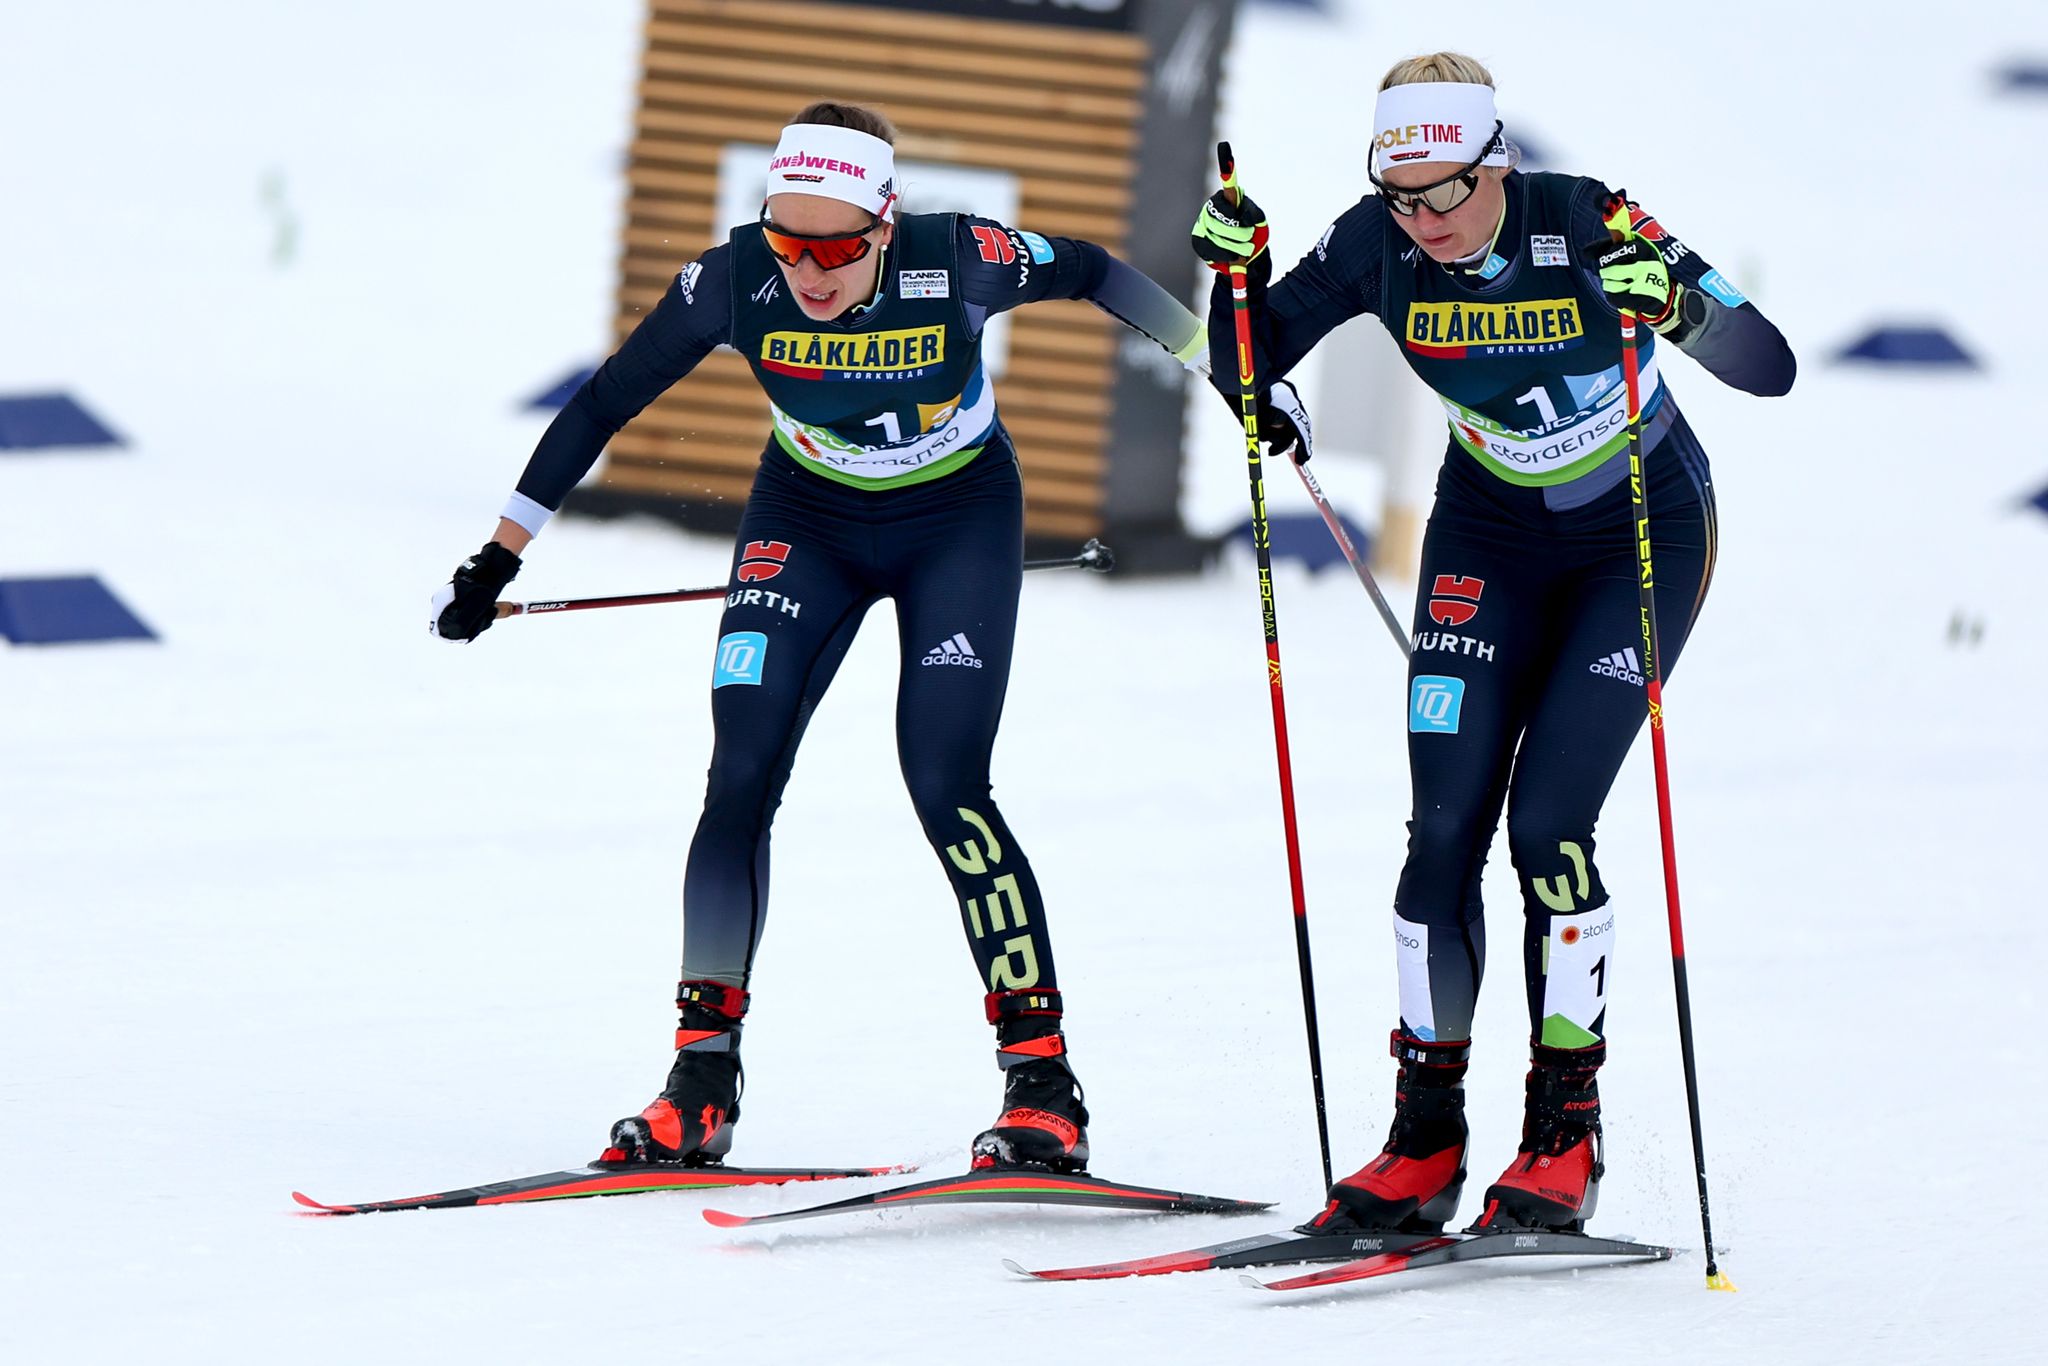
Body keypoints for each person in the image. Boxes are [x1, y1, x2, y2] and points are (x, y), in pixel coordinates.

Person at [431, 102, 1209, 1172]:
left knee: (945, 782)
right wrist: (498, 556)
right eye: (788, 240)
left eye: (836, 247)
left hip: (957, 523)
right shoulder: (733, 279)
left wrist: (1227, 367)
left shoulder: (961, 253)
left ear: (884, 223)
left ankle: (1042, 1086)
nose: (809, 271)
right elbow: (604, 402)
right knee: (737, 773)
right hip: (805, 523)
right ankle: (698, 1080)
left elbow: (1096, 272)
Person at [1192, 54, 1794, 1232]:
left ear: (1496, 159)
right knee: (1440, 831)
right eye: (1403, 197)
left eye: (1448, 194)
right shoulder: (1376, 240)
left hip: (1638, 526)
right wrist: (1235, 283)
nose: (1428, 224)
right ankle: (1422, 1143)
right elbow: (1247, 363)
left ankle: (1562, 1136)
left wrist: (1673, 306)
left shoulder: (1587, 219)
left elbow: (1764, 363)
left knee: (1549, 826)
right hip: (1485, 531)